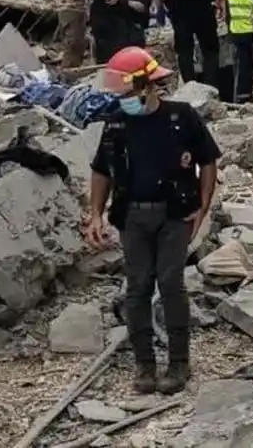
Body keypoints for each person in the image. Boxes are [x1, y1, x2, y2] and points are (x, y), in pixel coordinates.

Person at [84, 47, 220, 395]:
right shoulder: (116, 123)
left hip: (175, 215)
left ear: (147, 85)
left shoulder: (182, 117)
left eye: (128, 93)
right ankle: (144, 365)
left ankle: (178, 363)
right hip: (132, 217)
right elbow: (101, 171)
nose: (124, 100)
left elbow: (208, 160)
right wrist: (95, 213)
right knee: (138, 287)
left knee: (172, 283)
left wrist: (203, 205)